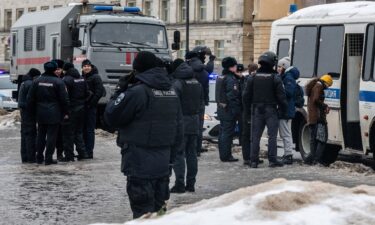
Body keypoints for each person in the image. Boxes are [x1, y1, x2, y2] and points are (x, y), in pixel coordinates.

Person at [104, 51, 183, 219]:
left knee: (143, 214)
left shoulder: (137, 92)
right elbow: (179, 129)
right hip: (163, 163)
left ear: (137, 70)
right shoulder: (171, 92)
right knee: (160, 212)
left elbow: (111, 117)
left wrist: (120, 91)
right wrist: (171, 158)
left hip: (139, 162)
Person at [243, 51, 287, 168]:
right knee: (272, 136)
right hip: (271, 110)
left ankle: (253, 161)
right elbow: (281, 96)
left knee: (255, 136)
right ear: (272, 62)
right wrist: (284, 109)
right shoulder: (275, 77)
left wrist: (247, 111)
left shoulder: (253, 77)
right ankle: (272, 160)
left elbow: (246, 96)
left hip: (256, 109)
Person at [27, 61, 69, 165]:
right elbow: (64, 99)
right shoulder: (59, 82)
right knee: (52, 136)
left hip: (40, 112)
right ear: (55, 69)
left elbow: (30, 98)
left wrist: (32, 112)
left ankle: (39, 157)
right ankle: (48, 158)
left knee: (41, 135)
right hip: (54, 113)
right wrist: (66, 112)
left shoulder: (37, 81)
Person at [170, 58, 203, 193]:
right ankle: (191, 184)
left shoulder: (177, 83)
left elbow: (173, 104)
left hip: (181, 121)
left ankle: (179, 183)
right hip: (194, 121)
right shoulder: (197, 83)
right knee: (192, 154)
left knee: (179, 153)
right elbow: (201, 102)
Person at [186, 46, 215, 156]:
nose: (204, 57)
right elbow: (209, 70)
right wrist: (211, 60)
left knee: (191, 125)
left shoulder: (188, 65)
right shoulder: (199, 66)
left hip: (190, 99)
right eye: (204, 55)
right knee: (198, 125)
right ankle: (196, 148)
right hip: (199, 99)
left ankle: (193, 148)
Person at [61, 62, 90, 161]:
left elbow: (64, 97)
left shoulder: (66, 80)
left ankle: (69, 156)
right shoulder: (82, 78)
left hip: (71, 110)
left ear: (65, 70)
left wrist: (65, 111)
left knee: (68, 133)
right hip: (81, 109)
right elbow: (88, 93)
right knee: (78, 132)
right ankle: (83, 153)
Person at [217, 57, 241, 162]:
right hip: (229, 110)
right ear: (231, 67)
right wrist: (237, 110)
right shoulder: (231, 79)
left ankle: (223, 155)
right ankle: (226, 156)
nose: (236, 67)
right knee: (227, 133)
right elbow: (232, 95)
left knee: (222, 132)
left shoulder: (220, 77)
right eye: (235, 66)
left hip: (222, 109)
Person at [277, 57, 300, 164]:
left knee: (285, 133)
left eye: (280, 66)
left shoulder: (288, 77)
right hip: (287, 109)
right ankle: (287, 153)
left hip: (285, 110)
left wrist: (278, 91)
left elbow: (289, 93)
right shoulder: (287, 76)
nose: (278, 68)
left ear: (284, 67)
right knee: (286, 133)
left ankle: (288, 155)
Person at [305, 74, 333, 165]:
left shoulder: (314, 85)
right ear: (325, 82)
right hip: (318, 118)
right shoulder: (318, 86)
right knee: (322, 139)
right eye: (328, 85)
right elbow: (316, 100)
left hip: (313, 118)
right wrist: (325, 106)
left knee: (313, 139)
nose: (327, 87)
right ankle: (317, 159)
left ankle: (312, 160)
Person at [82, 59, 104, 159]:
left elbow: (99, 92)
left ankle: (89, 152)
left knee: (89, 130)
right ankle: (84, 151)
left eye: (88, 66)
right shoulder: (83, 77)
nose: (86, 67)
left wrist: (91, 104)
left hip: (91, 108)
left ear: (91, 67)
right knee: (83, 130)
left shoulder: (96, 77)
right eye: (84, 66)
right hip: (83, 108)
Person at [18, 68, 41, 163]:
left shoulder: (24, 82)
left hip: (24, 111)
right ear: (35, 76)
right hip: (29, 112)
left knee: (24, 135)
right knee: (31, 135)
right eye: (38, 77)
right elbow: (32, 100)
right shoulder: (30, 84)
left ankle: (25, 157)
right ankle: (31, 158)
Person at [241, 63, 258, 166]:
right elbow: (246, 97)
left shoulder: (245, 79)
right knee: (249, 135)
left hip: (246, 111)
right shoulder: (249, 81)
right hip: (249, 111)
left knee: (248, 135)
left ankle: (249, 157)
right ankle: (249, 157)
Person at [52, 59, 65, 161]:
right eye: (55, 69)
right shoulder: (50, 79)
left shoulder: (64, 80)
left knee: (60, 134)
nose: (57, 71)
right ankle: (48, 155)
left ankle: (60, 154)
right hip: (51, 111)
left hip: (61, 111)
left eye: (59, 69)